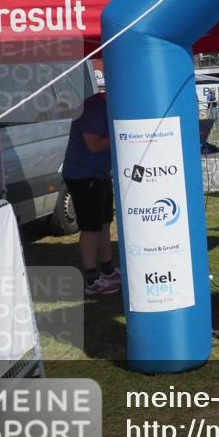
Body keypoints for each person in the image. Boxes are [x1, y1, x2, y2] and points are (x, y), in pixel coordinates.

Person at [62, 91, 120, 296]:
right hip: (83, 175)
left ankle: (107, 269)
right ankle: (91, 279)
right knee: (90, 227)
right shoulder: (93, 107)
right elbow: (93, 144)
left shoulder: (109, 104)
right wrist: (121, 134)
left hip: (100, 174)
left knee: (104, 223)